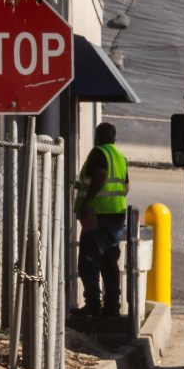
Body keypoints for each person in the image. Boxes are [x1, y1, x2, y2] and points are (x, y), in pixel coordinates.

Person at [72, 122, 129, 317]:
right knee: (109, 261)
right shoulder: (120, 157)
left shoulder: (98, 153)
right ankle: (112, 305)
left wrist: (87, 202)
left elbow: (101, 175)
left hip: (98, 215)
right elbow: (126, 187)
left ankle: (93, 304)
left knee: (88, 261)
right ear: (114, 138)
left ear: (97, 137)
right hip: (116, 216)